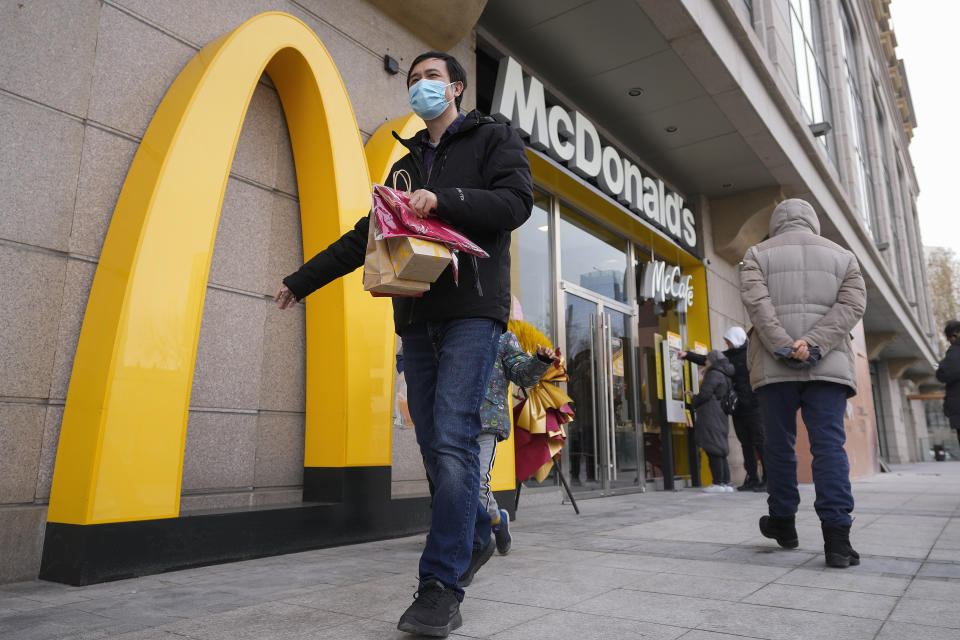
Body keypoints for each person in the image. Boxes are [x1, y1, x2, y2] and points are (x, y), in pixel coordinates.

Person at [275, 51, 533, 636]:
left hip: (473, 311)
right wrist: (301, 281)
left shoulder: (495, 139)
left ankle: (439, 588)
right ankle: (474, 536)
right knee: (434, 445)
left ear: (458, 87)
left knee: (453, 439)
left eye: (432, 78)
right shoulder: (406, 162)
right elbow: (367, 234)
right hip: (415, 318)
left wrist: (446, 201)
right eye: (413, 80)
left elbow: (517, 205)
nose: (421, 87)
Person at [739, 198, 866, 569]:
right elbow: (852, 306)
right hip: (828, 364)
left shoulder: (757, 254)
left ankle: (783, 523)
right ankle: (838, 540)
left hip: (774, 369)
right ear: (812, 222)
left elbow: (758, 305)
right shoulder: (844, 257)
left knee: (779, 447)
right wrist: (813, 344)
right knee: (829, 448)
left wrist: (783, 344)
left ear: (776, 222)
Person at [478, 333, 557, 557]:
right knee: (456, 480)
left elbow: (522, 374)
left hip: (488, 420)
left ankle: (494, 522)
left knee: (478, 481)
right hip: (454, 417)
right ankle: (495, 518)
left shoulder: (503, 337)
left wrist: (539, 361)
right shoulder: (454, 328)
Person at [681, 326, 766, 491]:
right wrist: (687, 355)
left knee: (760, 443)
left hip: (755, 406)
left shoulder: (751, 354)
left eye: (729, 341)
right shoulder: (728, 357)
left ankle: (768, 479)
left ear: (736, 339)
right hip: (737, 407)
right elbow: (708, 359)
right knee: (745, 444)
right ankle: (752, 479)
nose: (727, 344)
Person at [686, 350, 735, 493]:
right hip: (720, 414)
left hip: (710, 415)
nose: (705, 362)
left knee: (713, 449)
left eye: (707, 360)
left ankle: (717, 483)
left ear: (712, 360)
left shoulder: (714, 374)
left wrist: (694, 399)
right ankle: (725, 483)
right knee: (720, 450)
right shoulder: (725, 374)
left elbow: (706, 394)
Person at [936, 320, 960, 444]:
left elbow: (944, 373)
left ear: (954, 335)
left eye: (949, 338)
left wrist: (940, 368)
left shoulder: (955, 351)